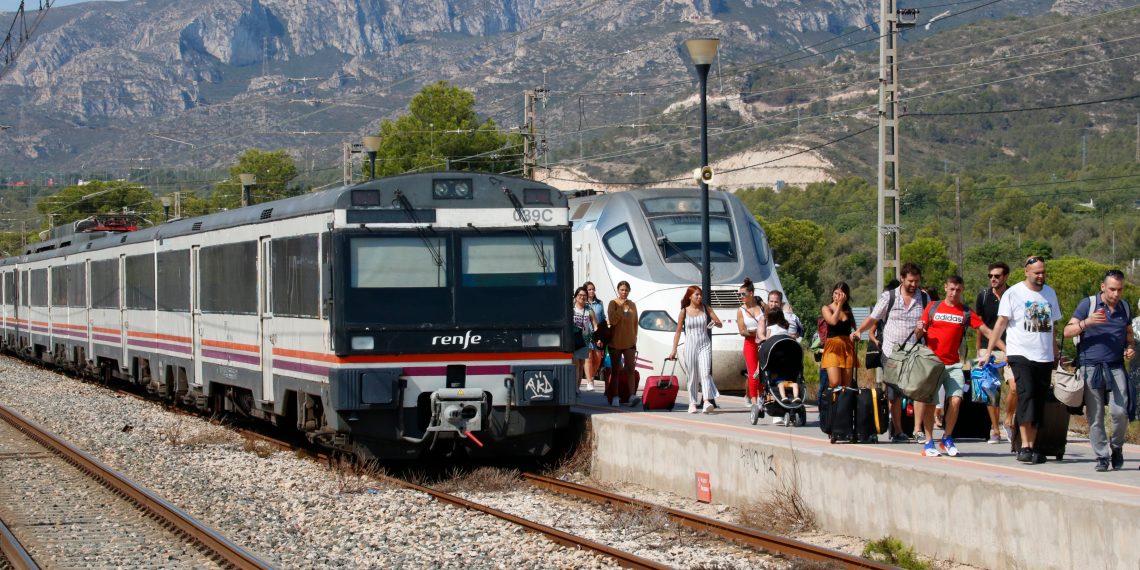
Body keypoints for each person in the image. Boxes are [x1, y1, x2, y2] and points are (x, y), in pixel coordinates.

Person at [982, 256, 1062, 465]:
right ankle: (1025, 446)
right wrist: (988, 350)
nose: (1040, 275)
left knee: (1038, 400)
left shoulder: (1050, 293)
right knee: (1025, 395)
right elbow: (1000, 324)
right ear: (1026, 272)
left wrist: (1055, 353)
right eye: (1036, 272)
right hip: (1020, 354)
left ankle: (1031, 446)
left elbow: (1052, 327)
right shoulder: (1014, 293)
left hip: (1043, 356)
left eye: (1043, 271)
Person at [1062, 269, 1135, 472]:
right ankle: (1102, 456)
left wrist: (1130, 348)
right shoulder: (1089, 304)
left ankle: (1117, 447)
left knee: (1120, 412)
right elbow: (1067, 331)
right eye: (1112, 289)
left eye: (1120, 289)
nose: (1116, 294)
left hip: (1116, 366)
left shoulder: (1125, 307)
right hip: (1090, 367)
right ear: (1103, 287)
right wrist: (1087, 322)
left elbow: (1129, 335)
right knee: (1095, 416)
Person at [914, 276, 993, 457]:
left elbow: (985, 330)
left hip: (953, 364)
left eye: (958, 290)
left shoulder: (965, 312)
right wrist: (919, 328)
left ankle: (947, 438)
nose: (954, 293)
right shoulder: (933, 307)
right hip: (932, 364)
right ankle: (928, 442)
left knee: (956, 400)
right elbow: (919, 332)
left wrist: (1006, 349)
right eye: (951, 289)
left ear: (962, 290)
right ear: (945, 288)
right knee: (930, 404)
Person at [853, 263, 930, 443]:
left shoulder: (924, 298)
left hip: (915, 350)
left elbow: (927, 326)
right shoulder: (889, 297)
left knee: (920, 390)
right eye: (910, 281)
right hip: (891, 352)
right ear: (902, 279)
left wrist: (922, 329)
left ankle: (918, 430)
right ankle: (898, 431)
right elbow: (874, 317)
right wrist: (859, 331)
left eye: (917, 281)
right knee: (894, 394)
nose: (914, 284)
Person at [975, 262, 1014, 444]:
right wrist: (979, 350)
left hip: (1012, 348)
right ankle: (995, 431)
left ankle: (1009, 421)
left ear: (1005, 277)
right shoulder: (983, 296)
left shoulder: (1014, 295)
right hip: (988, 348)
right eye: (990, 275)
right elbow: (979, 326)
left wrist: (1009, 349)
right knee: (992, 390)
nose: (993, 279)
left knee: (1015, 387)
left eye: (997, 276)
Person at [668, 286, 723, 414]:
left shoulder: (706, 308)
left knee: (705, 373)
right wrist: (673, 350)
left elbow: (719, 323)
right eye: (696, 295)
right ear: (690, 296)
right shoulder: (684, 312)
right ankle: (692, 402)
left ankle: (706, 401)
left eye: (700, 295)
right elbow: (677, 332)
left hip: (704, 344)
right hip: (690, 345)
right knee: (692, 375)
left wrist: (716, 323)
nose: (699, 297)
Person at [607, 281, 640, 407]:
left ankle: (632, 395)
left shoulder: (632, 305)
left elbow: (635, 323)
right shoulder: (613, 303)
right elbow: (613, 320)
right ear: (618, 290)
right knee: (616, 370)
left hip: (629, 342)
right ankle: (615, 396)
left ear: (629, 291)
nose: (624, 292)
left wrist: (634, 337)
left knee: (630, 369)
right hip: (615, 342)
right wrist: (621, 308)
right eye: (621, 290)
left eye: (626, 290)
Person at [821, 282, 856, 391]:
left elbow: (852, 329)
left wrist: (854, 335)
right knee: (835, 382)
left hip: (847, 347)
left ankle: (843, 406)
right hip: (833, 347)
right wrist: (839, 305)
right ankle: (832, 403)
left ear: (845, 296)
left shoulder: (848, 311)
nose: (837, 296)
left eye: (840, 294)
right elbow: (832, 321)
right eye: (835, 293)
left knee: (846, 384)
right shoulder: (827, 308)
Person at [737, 278, 765, 410]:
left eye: (743, 294)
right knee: (754, 372)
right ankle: (754, 401)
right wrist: (756, 333)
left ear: (751, 293)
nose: (741, 297)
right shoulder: (741, 310)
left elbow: (771, 318)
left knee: (764, 372)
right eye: (740, 294)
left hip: (763, 343)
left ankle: (762, 396)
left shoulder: (761, 306)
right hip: (750, 344)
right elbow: (742, 331)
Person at [765, 305, 801, 405]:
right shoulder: (785, 328)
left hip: (775, 358)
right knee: (795, 385)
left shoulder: (770, 328)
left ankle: (784, 397)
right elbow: (790, 337)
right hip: (788, 358)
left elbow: (767, 342)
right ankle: (796, 397)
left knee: (780, 385)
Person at [571, 286, 597, 394]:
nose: (582, 297)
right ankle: (575, 389)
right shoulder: (571, 308)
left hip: (584, 339)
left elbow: (595, 324)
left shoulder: (589, 309)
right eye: (580, 295)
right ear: (576, 296)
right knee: (576, 363)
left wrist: (596, 336)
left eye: (584, 295)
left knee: (581, 365)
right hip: (573, 338)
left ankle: (577, 388)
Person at [582, 281, 607, 392]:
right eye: (589, 289)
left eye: (593, 289)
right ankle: (589, 381)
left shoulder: (599, 303)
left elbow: (602, 320)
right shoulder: (582, 303)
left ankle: (591, 376)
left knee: (598, 357)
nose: (592, 291)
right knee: (589, 357)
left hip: (597, 334)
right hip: (586, 334)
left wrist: (601, 335)